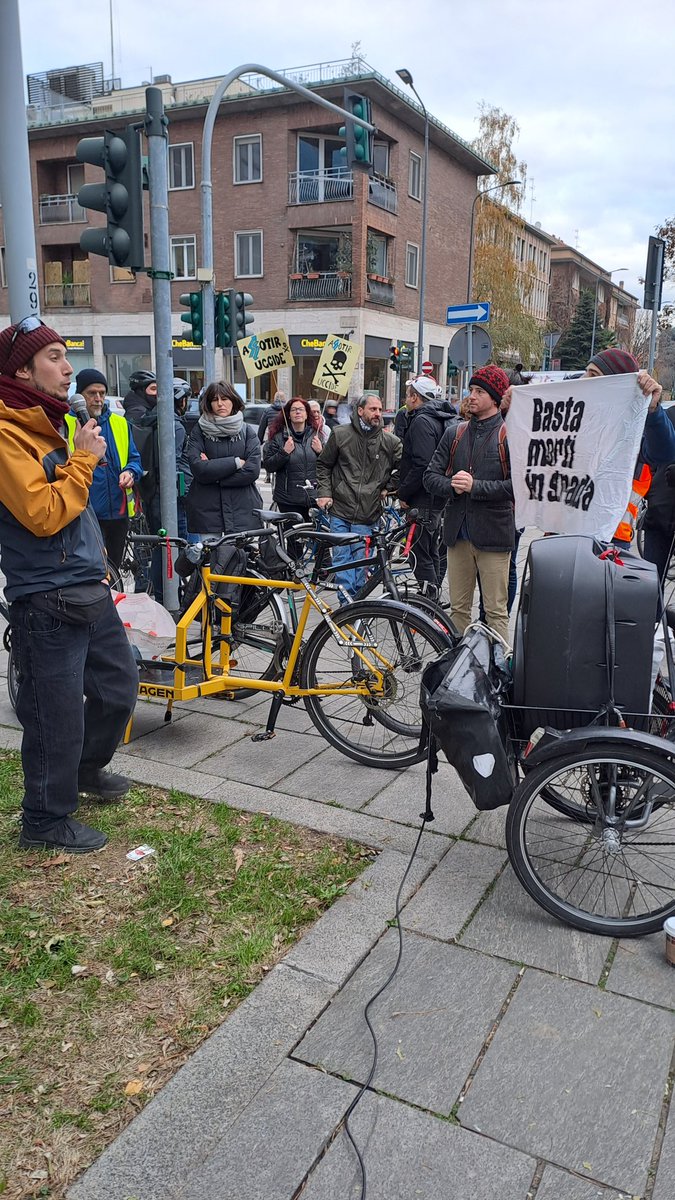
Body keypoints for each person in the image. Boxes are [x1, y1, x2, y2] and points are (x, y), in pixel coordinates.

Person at [0, 318, 138, 853]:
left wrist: (100, 560)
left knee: (118, 687)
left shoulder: (54, 423)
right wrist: (83, 460)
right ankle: (44, 819)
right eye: (55, 356)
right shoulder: (10, 434)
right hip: (47, 597)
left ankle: (83, 769)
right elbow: (42, 513)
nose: (67, 368)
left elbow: (75, 514)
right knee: (53, 714)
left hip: (87, 585)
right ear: (23, 370)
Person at [501, 348, 675, 548]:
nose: (584, 379)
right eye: (587, 371)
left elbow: (664, 453)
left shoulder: (631, 425)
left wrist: (653, 411)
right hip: (559, 530)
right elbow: (530, 436)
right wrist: (516, 404)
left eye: (594, 375)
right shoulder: (570, 410)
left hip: (608, 540)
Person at [424, 365, 514, 644]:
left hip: (494, 536)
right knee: (458, 611)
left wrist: (476, 487)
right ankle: (453, 669)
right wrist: (452, 485)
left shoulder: (509, 434)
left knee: (496, 612)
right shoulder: (455, 433)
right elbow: (430, 477)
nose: (471, 396)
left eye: (479, 391)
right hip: (457, 535)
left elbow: (518, 487)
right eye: (471, 390)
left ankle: (501, 672)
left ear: (496, 399)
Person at [315, 394, 402, 598]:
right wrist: (325, 493)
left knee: (360, 567)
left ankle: (356, 612)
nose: (378, 414)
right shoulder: (340, 434)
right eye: (373, 409)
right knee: (342, 564)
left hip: (368, 514)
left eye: (380, 410)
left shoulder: (389, 441)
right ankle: (347, 610)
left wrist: (388, 487)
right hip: (340, 512)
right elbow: (323, 464)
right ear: (360, 411)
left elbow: (406, 469)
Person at [65, 368, 143, 570]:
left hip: (118, 512)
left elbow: (134, 458)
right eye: (92, 393)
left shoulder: (120, 422)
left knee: (114, 569)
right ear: (80, 396)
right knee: (92, 569)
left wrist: (130, 472)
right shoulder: (65, 423)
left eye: (102, 393)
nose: (98, 399)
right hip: (85, 512)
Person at [397, 376, 457, 599]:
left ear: (415, 397)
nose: (406, 400)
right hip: (437, 497)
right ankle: (433, 597)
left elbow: (422, 464)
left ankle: (429, 603)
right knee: (432, 552)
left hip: (423, 498)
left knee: (419, 553)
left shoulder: (422, 420)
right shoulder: (444, 417)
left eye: (407, 395)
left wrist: (404, 492)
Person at [186, 380, 262, 537]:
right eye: (215, 400)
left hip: (243, 510)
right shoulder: (198, 431)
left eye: (225, 399)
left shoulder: (247, 431)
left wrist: (215, 475)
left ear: (233, 401)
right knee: (211, 558)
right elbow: (198, 469)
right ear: (209, 404)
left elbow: (252, 471)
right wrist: (236, 463)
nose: (220, 404)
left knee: (240, 558)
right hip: (207, 511)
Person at [263, 397, 324, 522]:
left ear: (307, 414)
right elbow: (269, 465)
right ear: (288, 415)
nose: (297, 412)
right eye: (294, 410)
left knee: (314, 538)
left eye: (301, 409)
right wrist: (284, 452)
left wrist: (321, 451)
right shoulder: (279, 438)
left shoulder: (317, 436)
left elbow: (328, 464)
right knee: (294, 540)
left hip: (313, 499)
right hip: (288, 501)